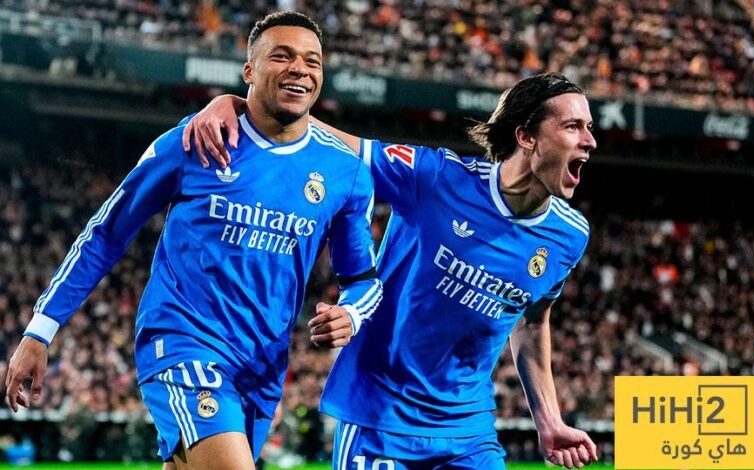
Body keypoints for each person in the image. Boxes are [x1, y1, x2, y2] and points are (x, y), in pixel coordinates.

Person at [4, 12, 383, 470]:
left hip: (261, 365)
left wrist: (350, 314)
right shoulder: (195, 142)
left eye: (312, 61)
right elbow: (106, 232)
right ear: (249, 70)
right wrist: (40, 329)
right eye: (282, 56)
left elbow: (363, 280)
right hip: (183, 342)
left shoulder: (346, 172)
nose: (299, 69)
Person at [186, 72, 599, 469]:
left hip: (467, 433)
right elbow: (333, 143)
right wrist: (242, 108)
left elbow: (531, 320)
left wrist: (549, 421)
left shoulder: (569, 235)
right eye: (573, 127)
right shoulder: (434, 178)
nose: (590, 141)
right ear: (526, 136)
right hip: (379, 421)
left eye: (589, 128)